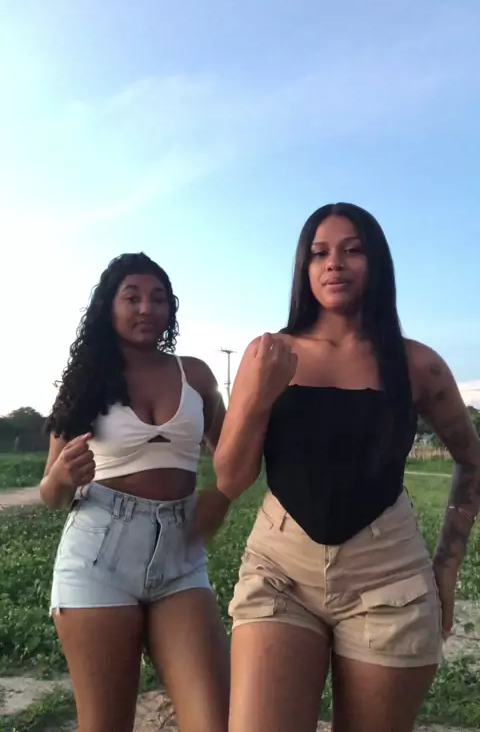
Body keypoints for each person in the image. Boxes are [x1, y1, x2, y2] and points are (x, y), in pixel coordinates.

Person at [214, 203, 480, 732]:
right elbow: (230, 479)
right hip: (280, 571)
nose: (334, 263)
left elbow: (471, 460)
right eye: (319, 253)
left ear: (376, 262)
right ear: (304, 267)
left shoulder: (416, 364)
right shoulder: (268, 355)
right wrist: (257, 400)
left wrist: (447, 566)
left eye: (352, 250)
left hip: (389, 579)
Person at [41, 252, 230, 732]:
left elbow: (232, 452)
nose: (147, 308)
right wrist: (62, 477)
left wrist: (222, 494)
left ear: (170, 308)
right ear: (109, 307)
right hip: (99, 555)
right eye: (132, 297)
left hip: (181, 559)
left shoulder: (196, 375)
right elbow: (50, 493)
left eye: (158, 298)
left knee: (215, 721)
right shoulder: (85, 382)